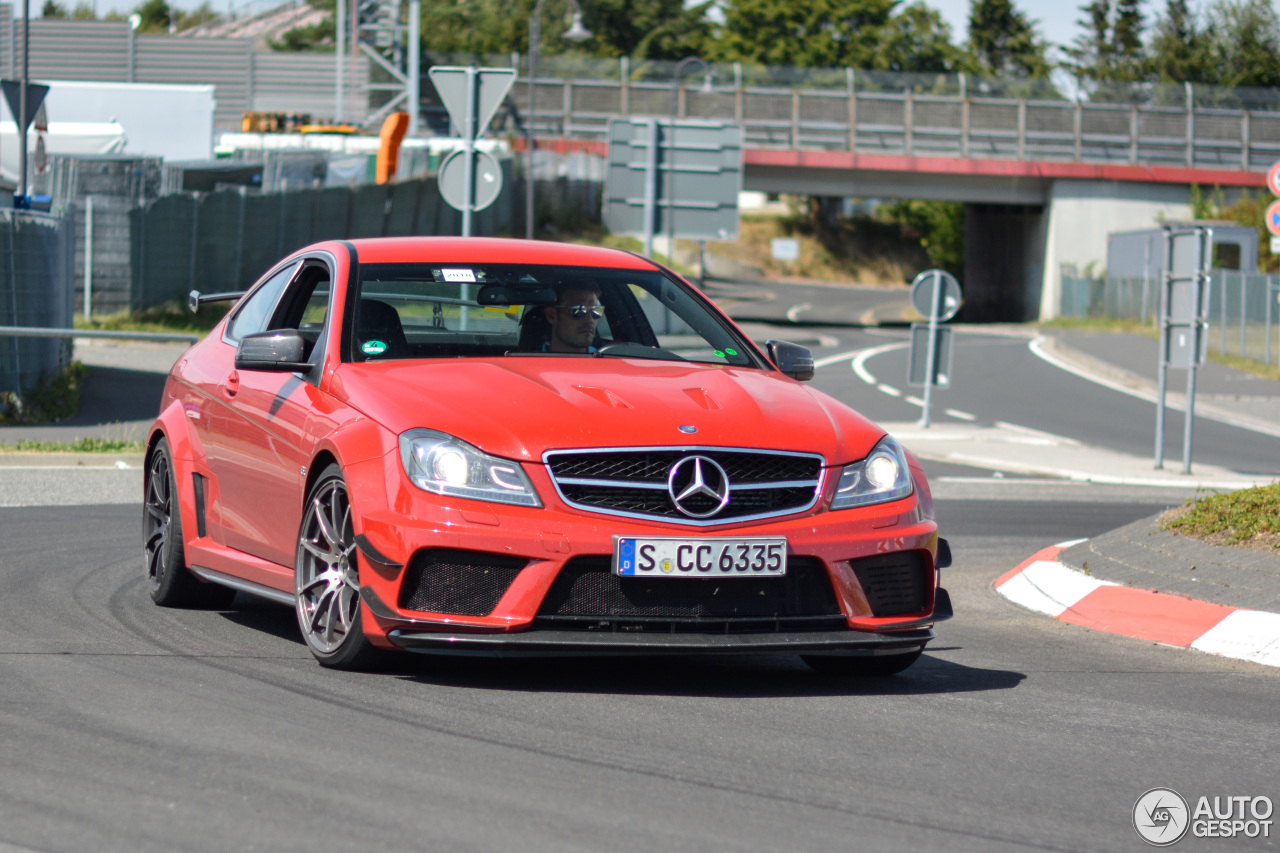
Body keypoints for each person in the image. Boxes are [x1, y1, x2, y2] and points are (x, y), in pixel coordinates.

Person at [542, 283, 604, 353]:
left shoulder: (608, 360)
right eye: (577, 310)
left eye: (596, 310)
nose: (590, 320)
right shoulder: (531, 361)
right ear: (551, 315)